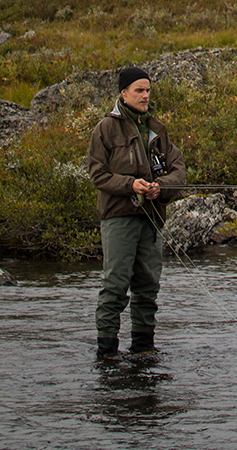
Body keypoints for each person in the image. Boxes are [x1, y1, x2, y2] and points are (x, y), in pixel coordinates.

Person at [86, 64, 186, 361]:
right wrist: (130, 185)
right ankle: (107, 351)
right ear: (124, 93)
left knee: (148, 285)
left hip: (151, 218)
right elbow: (97, 175)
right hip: (118, 217)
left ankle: (143, 346)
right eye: (139, 90)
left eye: (148, 90)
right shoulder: (105, 129)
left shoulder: (157, 129)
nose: (145, 96)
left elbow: (178, 171)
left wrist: (160, 187)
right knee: (115, 285)